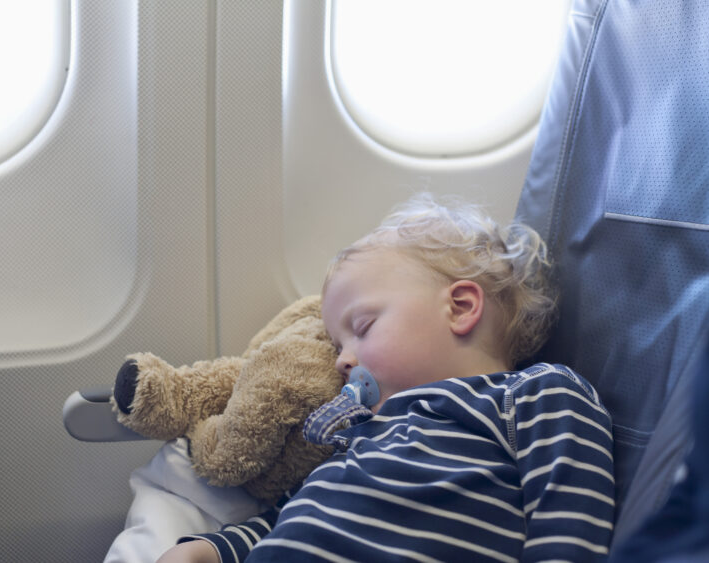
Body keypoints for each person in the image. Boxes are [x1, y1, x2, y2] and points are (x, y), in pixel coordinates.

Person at [158, 193, 615, 562]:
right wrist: (214, 549)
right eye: (338, 347)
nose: (342, 361)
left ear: (459, 308)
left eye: (362, 329)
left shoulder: (535, 395)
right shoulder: (359, 434)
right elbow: (292, 516)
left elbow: (569, 520)